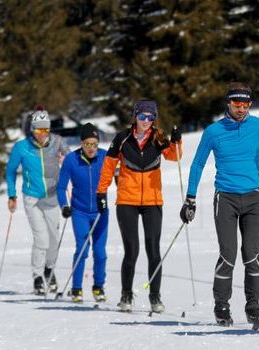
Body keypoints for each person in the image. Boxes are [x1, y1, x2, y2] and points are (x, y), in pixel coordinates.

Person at [180, 82, 259, 326]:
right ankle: (222, 306)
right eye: (237, 104)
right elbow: (197, 165)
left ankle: (253, 306)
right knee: (228, 255)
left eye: (246, 104)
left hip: (254, 199)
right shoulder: (214, 131)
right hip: (225, 198)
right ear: (228, 102)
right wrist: (190, 199)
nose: (242, 109)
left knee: (252, 255)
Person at [96, 99, 182, 313]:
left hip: (153, 201)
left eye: (150, 117)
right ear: (135, 116)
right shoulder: (122, 138)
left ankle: (155, 296)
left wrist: (177, 141)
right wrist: (101, 191)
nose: (146, 121)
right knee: (131, 250)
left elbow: (175, 156)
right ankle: (126, 296)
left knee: (153, 250)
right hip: (127, 201)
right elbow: (108, 166)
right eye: (142, 116)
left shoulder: (158, 137)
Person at [6, 105, 71, 295]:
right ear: (32, 129)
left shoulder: (57, 142)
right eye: (38, 129)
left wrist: (65, 159)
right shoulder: (22, 147)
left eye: (46, 129)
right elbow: (10, 172)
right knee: (41, 238)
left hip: (52, 197)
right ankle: (37, 277)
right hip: (32, 198)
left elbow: (72, 157)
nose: (43, 133)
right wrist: (12, 195)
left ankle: (49, 270)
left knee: (54, 239)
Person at [56, 123, 109, 303]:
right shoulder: (71, 160)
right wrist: (64, 206)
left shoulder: (105, 156)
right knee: (82, 249)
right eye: (87, 144)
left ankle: (98, 286)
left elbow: (119, 176)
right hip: (80, 212)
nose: (91, 148)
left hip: (101, 212)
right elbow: (61, 188)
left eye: (94, 144)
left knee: (100, 253)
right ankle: (77, 288)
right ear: (81, 144)